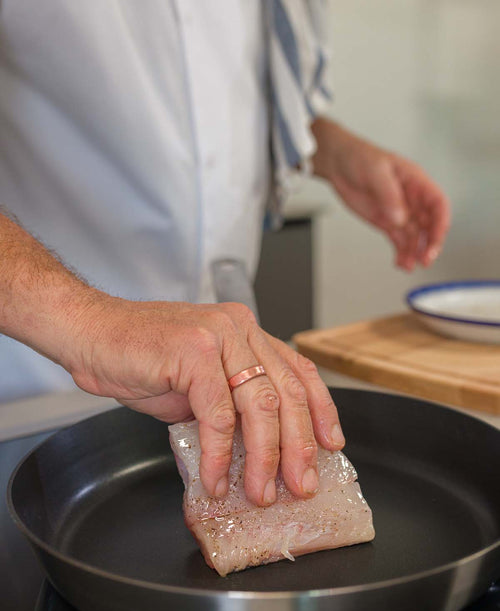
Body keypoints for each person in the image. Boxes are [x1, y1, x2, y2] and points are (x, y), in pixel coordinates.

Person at [0, 1, 450, 507]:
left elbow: (224, 94)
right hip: (31, 389)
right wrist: (90, 323)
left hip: (224, 377)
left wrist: (331, 150)